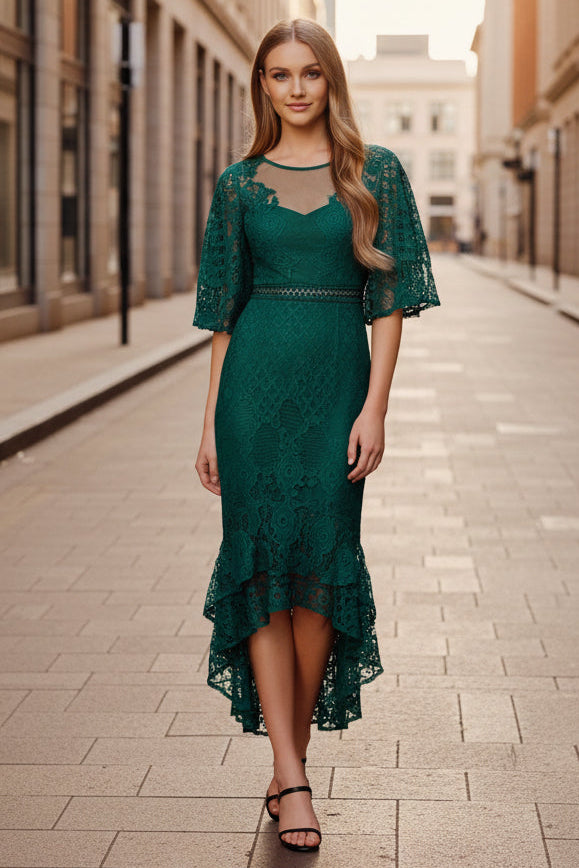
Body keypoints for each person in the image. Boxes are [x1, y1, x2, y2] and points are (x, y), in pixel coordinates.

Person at [192, 18, 440, 854]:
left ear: (329, 82)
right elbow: (222, 317)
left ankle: (284, 761)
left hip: (337, 385)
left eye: (309, 74)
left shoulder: (377, 173)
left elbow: (391, 302)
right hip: (252, 393)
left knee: (321, 571)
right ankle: (291, 775)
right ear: (260, 85)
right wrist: (209, 424)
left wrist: (375, 408)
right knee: (262, 568)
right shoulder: (235, 185)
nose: (294, 89)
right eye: (277, 75)